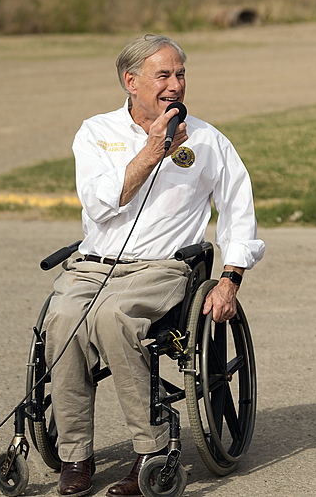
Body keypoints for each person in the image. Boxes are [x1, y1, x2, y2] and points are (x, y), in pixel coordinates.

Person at [47, 34, 265, 497]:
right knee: (63, 318)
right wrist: (152, 151)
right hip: (92, 266)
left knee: (112, 319)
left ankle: (152, 449)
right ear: (131, 81)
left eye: (180, 74)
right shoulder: (95, 132)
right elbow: (101, 205)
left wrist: (230, 279)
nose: (175, 85)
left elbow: (238, 211)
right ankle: (75, 455)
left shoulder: (208, 140)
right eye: (163, 75)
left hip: (162, 270)